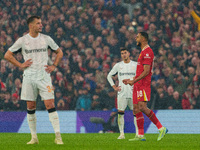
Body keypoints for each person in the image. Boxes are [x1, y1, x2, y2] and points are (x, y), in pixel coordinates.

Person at [4, 16, 64, 145]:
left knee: (50, 104)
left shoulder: (46, 39)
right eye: (38, 23)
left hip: (44, 76)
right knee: (30, 107)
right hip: (29, 77)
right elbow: (7, 55)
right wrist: (20, 65)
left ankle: (58, 136)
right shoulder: (22, 41)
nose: (41, 25)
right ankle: (34, 138)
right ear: (31, 25)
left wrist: (54, 66)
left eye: (41, 23)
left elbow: (59, 52)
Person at [123, 32, 168, 141]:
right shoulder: (142, 52)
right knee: (136, 109)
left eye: (137, 36)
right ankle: (140, 135)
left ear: (143, 38)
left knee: (142, 107)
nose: (136, 38)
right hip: (138, 83)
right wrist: (132, 80)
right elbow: (140, 71)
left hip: (143, 84)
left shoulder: (148, 52)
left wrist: (134, 81)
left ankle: (161, 128)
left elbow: (147, 71)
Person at [107, 48, 137, 139]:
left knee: (136, 114)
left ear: (129, 53)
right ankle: (121, 134)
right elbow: (109, 76)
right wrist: (114, 87)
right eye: (122, 53)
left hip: (133, 92)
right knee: (120, 113)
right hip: (122, 93)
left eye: (125, 53)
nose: (124, 54)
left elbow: (140, 76)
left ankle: (138, 133)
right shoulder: (118, 65)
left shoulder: (135, 65)